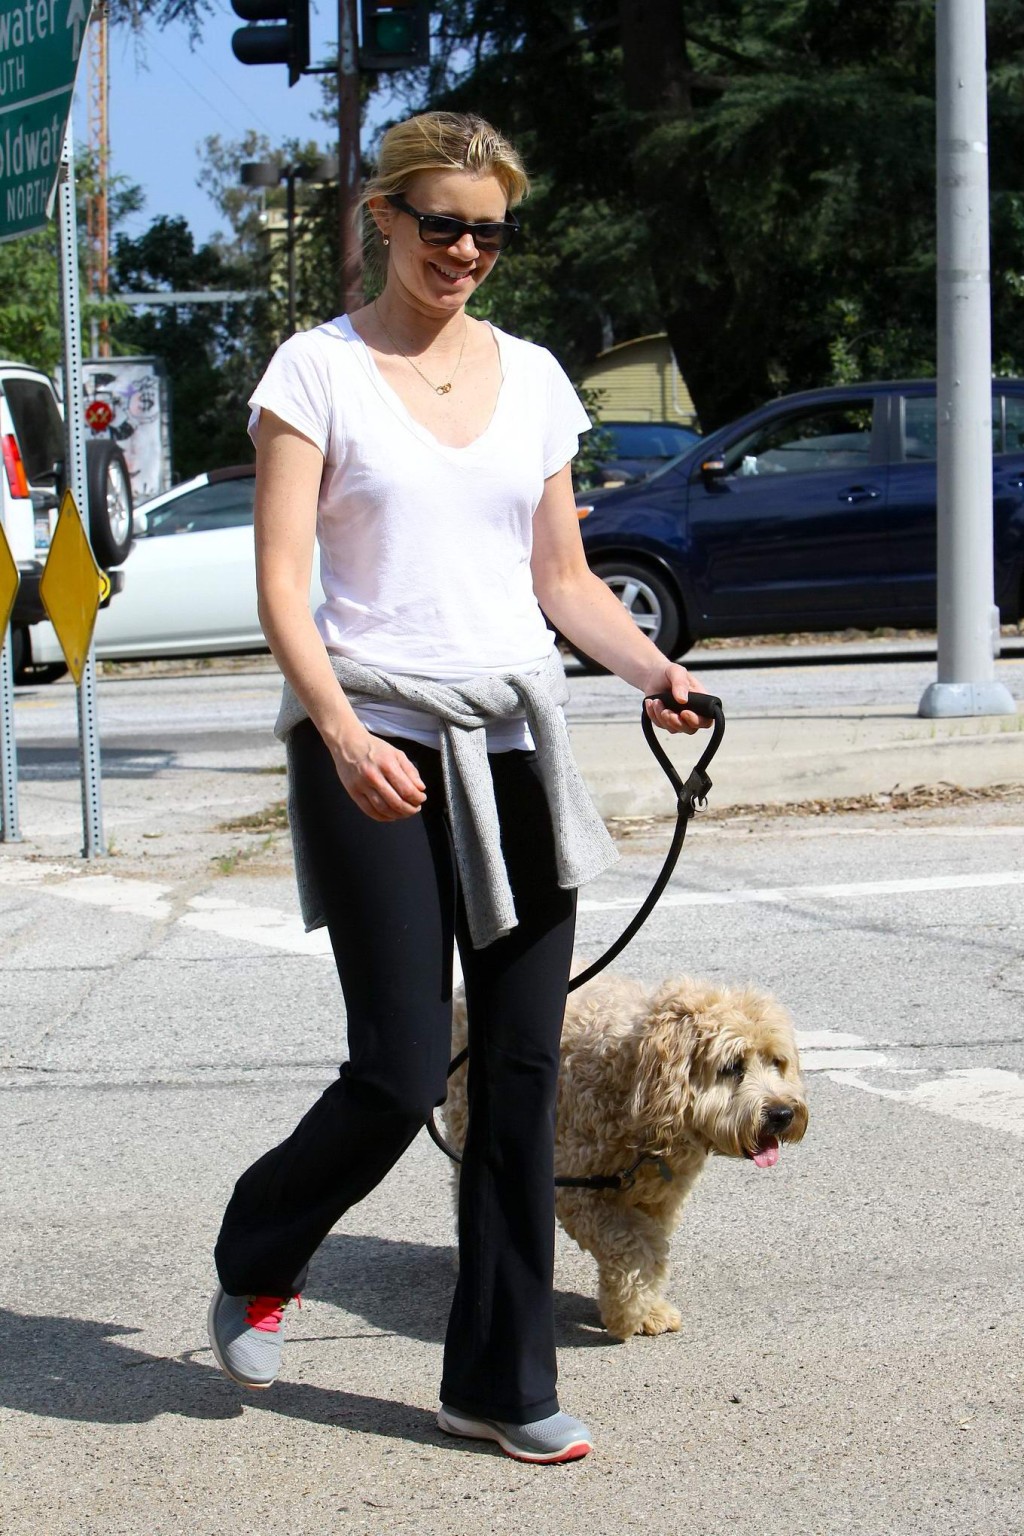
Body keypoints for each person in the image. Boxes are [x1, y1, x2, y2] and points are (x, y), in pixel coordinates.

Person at [207, 110, 710, 1466]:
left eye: (490, 229)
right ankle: (260, 1252)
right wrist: (337, 730)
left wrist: (649, 666)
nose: (468, 252)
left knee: (524, 1075)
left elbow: (559, 582)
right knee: (394, 1069)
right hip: (374, 743)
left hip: (515, 747)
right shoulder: (315, 375)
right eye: (443, 224)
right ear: (385, 219)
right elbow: (281, 585)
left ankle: (498, 1378)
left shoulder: (537, 379)